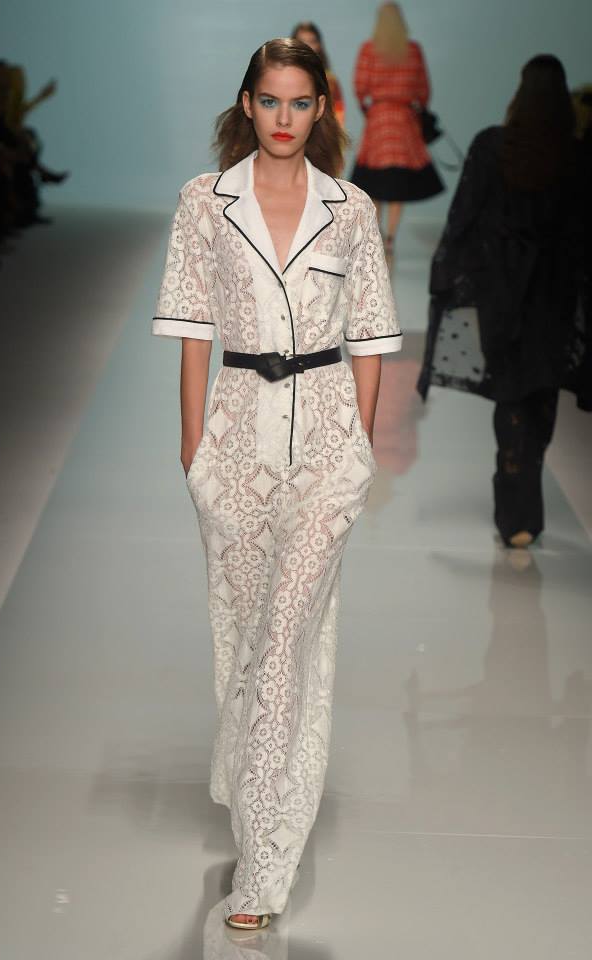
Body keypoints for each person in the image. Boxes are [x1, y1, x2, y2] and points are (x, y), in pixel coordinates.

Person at [152, 38, 400, 930]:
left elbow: (371, 336)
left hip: (327, 446)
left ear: (322, 107)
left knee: (288, 641)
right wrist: (194, 449)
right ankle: (247, 778)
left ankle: (261, 869)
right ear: (247, 104)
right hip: (234, 443)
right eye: (270, 101)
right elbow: (191, 329)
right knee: (247, 640)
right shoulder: (204, 202)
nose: (284, 118)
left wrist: (358, 447)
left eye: (300, 102)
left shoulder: (351, 209)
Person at [417, 55, 589, 548]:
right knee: (541, 396)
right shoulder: (577, 158)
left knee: (512, 395)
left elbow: (464, 219)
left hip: (502, 298)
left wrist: (447, 277)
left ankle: (515, 511)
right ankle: (522, 505)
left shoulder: (492, 147)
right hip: (553, 302)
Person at [351, 1, 443, 254]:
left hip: (379, 119)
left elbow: (360, 87)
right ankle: (391, 237)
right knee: (398, 184)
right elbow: (423, 90)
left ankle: (377, 234)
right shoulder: (413, 50)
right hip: (404, 121)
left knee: (375, 181)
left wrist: (369, 110)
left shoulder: (368, 50)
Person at [291, 22, 346, 128]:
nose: (307, 46)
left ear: (319, 45)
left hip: (321, 135)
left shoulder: (330, 82)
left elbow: (338, 117)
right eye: (302, 41)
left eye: (312, 41)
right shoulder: (282, 78)